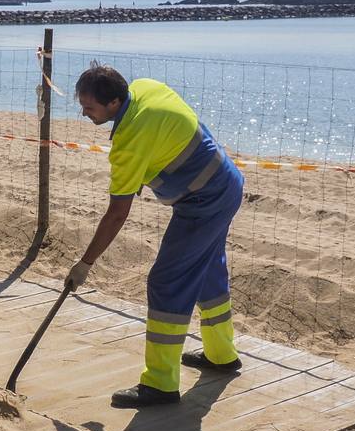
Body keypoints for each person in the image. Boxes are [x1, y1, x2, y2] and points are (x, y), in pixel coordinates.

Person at [65, 62, 244, 407]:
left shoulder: (129, 142)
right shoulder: (145, 87)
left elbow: (117, 213)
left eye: (89, 107)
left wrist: (85, 263)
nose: (84, 113)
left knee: (167, 281)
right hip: (226, 182)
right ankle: (222, 356)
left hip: (203, 202)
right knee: (207, 270)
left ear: (114, 103)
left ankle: (161, 383)